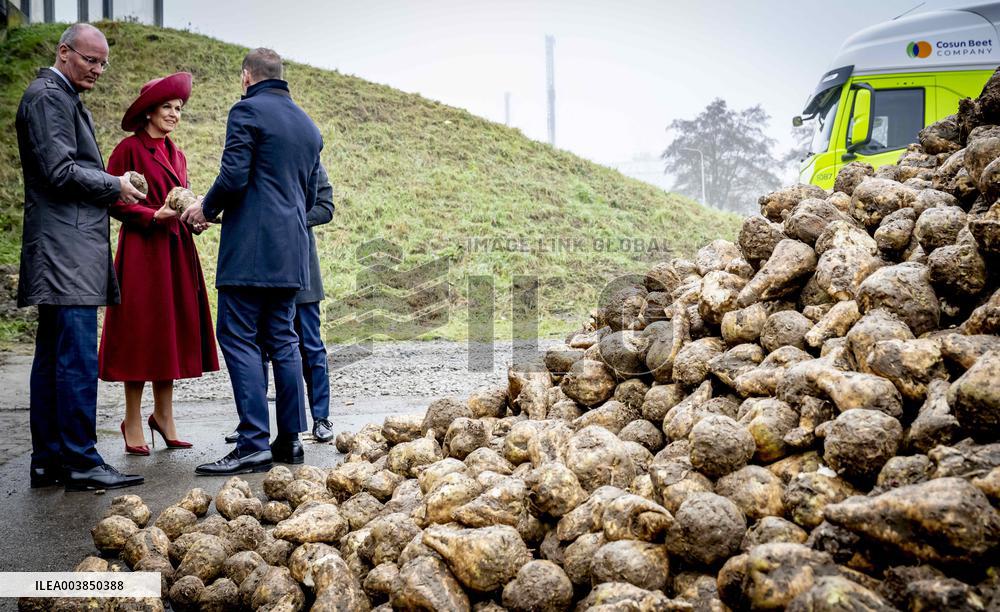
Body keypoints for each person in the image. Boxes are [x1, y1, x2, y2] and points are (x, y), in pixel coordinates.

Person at [16, 23, 147, 491]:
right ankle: (80, 460)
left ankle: (49, 460)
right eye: (90, 60)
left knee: (53, 356)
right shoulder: (49, 96)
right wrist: (115, 184)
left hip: (62, 248)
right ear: (64, 51)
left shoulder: (59, 96)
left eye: (103, 62)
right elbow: (59, 170)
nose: (98, 69)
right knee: (73, 358)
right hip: (66, 251)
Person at [182, 48, 323, 476]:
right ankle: (290, 440)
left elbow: (234, 175)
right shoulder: (308, 126)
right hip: (292, 254)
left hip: (251, 253)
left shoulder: (246, 112)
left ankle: (251, 445)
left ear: (247, 77)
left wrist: (204, 209)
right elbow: (313, 199)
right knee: (283, 340)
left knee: (239, 337)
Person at [98, 72, 220, 456]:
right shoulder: (129, 149)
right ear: (149, 110)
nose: (174, 114)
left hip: (175, 251)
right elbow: (112, 199)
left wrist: (192, 217)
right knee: (140, 333)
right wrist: (154, 215)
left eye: (178, 108)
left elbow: (179, 201)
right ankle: (132, 420)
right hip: (142, 252)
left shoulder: (177, 153)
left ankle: (164, 416)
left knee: (169, 333)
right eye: (167, 107)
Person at [225, 164, 335, 445]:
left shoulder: (310, 162)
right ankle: (252, 424)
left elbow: (326, 207)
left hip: (302, 267)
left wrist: (288, 219)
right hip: (263, 267)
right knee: (257, 348)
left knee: (310, 348)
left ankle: (320, 418)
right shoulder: (255, 163)